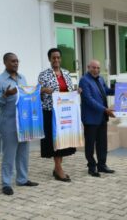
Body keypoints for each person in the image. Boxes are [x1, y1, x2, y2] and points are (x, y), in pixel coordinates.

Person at [0, 52, 38, 195]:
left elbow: (26, 96)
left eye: (17, 61)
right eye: (12, 61)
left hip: (23, 122)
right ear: (5, 63)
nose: (16, 63)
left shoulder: (22, 78)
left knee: (23, 152)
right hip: (9, 123)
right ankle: (6, 183)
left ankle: (22, 179)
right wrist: (6, 95)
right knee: (9, 154)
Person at [38, 48, 76, 182]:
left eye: (58, 57)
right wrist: (43, 90)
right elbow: (38, 91)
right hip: (50, 112)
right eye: (53, 58)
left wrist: (76, 92)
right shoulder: (44, 75)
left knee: (63, 140)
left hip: (65, 113)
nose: (56, 60)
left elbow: (70, 90)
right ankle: (58, 169)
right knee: (54, 141)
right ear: (49, 59)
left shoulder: (66, 73)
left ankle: (57, 167)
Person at [79, 60, 115, 177]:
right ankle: (92, 166)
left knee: (102, 143)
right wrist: (105, 109)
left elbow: (107, 91)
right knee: (90, 144)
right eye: (94, 68)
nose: (96, 70)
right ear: (88, 67)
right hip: (91, 118)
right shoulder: (84, 80)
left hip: (102, 118)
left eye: (98, 68)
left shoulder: (100, 79)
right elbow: (89, 100)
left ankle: (102, 165)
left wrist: (120, 88)